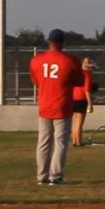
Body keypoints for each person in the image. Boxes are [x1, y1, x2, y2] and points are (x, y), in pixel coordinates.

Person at [29, 29, 83, 185]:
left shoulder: (36, 60)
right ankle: (55, 176)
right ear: (63, 42)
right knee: (60, 142)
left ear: (49, 41)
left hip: (44, 105)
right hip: (62, 105)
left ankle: (42, 177)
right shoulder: (70, 60)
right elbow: (79, 81)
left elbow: (35, 80)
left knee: (43, 142)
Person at [70, 57, 97, 147]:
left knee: (75, 122)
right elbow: (87, 90)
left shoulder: (77, 73)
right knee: (80, 123)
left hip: (73, 98)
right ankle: (79, 142)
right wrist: (90, 103)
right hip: (81, 99)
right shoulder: (87, 75)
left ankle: (74, 140)